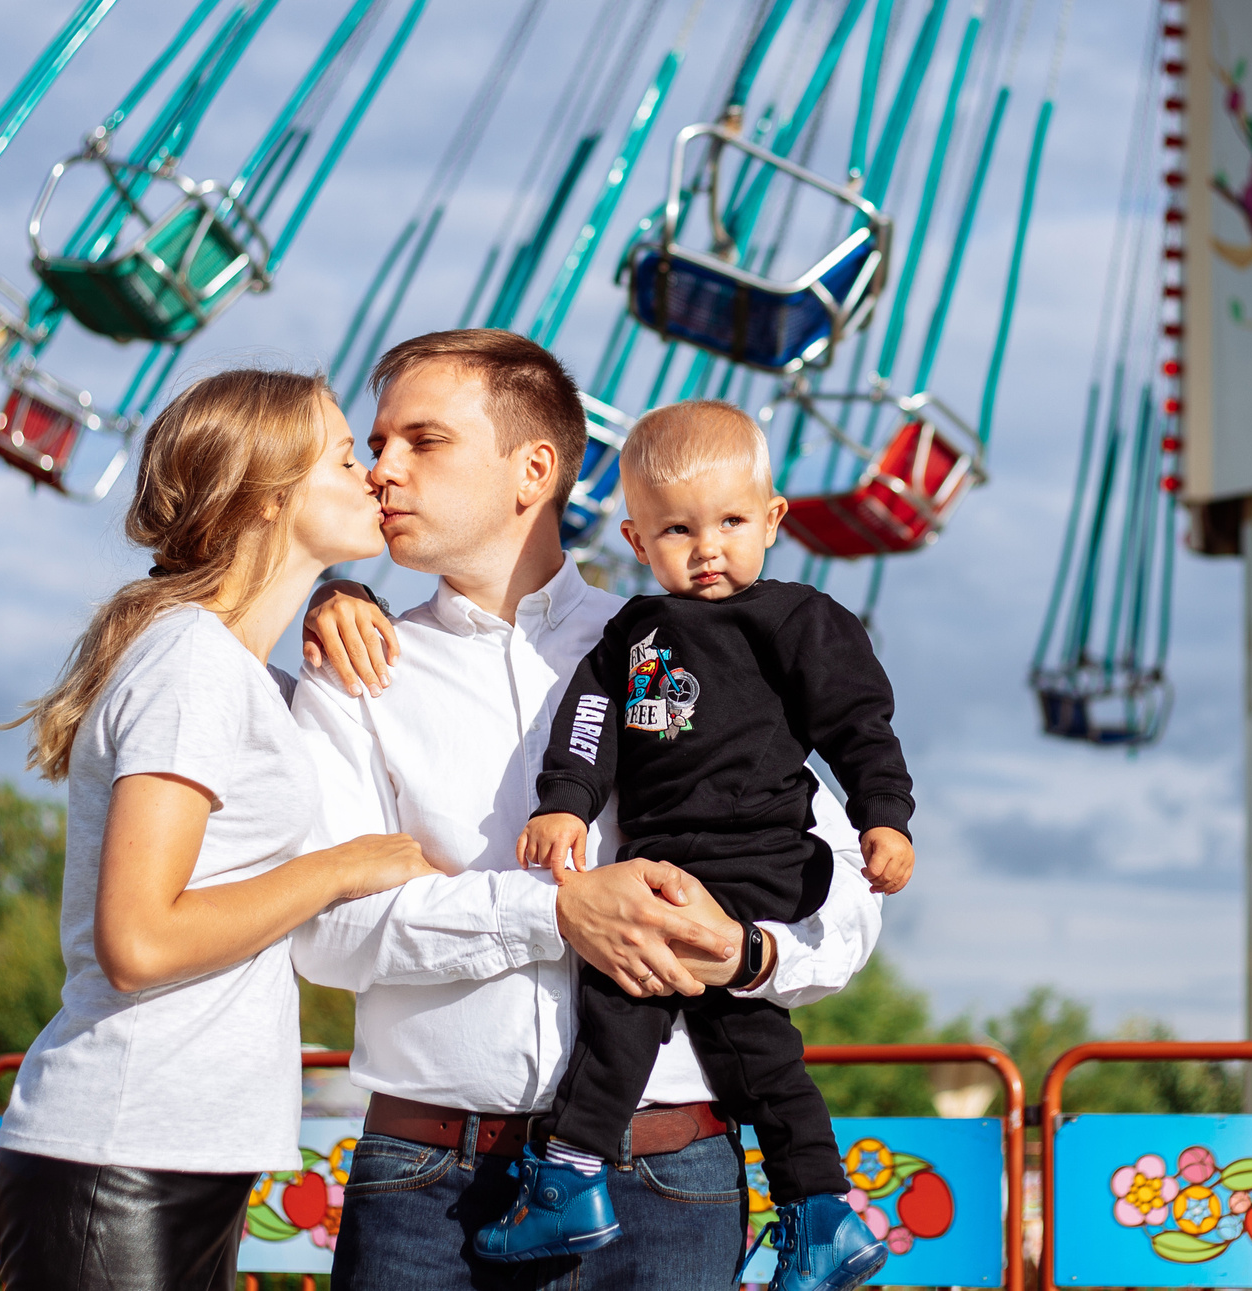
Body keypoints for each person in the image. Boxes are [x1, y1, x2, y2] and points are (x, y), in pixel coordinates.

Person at [292, 331, 884, 1291]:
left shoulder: (697, 636)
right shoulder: (357, 664)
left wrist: (748, 953)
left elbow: (846, 899)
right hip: (425, 1180)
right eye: (377, 440)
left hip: (672, 1171)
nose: (381, 470)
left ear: (534, 468)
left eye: (422, 440)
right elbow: (320, 933)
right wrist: (554, 910)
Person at [0, 369, 437, 1291]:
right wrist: (340, 869)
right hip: (121, 1155)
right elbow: (139, 940)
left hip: (169, 1152)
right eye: (350, 457)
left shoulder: (232, 672)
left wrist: (338, 599)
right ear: (272, 494)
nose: (376, 477)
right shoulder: (191, 664)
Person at [475, 399, 913, 1291]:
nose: (706, 547)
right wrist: (565, 803)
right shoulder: (632, 635)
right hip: (669, 865)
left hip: (756, 860)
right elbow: (588, 726)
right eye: (678, 529)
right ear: (637, 539)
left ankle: (570, 1177)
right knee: (754, 1049)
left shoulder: (799, 620)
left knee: (622, 997)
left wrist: (885, 817)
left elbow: (860, 726)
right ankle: (822, 1211)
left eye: (730, 522)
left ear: (773, 519)